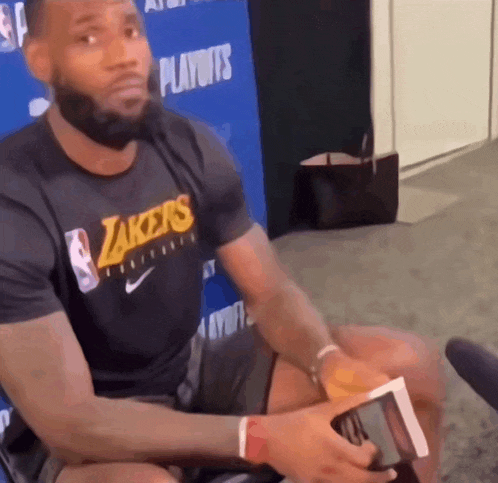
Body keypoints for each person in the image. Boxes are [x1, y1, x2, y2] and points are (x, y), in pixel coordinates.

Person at [0, 0, 446, 482]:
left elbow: (270, 294)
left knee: (409, 367)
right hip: (94, 427)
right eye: (89, 38)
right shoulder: (14, 200)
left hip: (189, 373)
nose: (123, 56)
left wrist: (326, 359)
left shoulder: (187, 143)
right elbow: (71, 421)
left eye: (131, 31)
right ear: (40, 59)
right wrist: (260, 439)